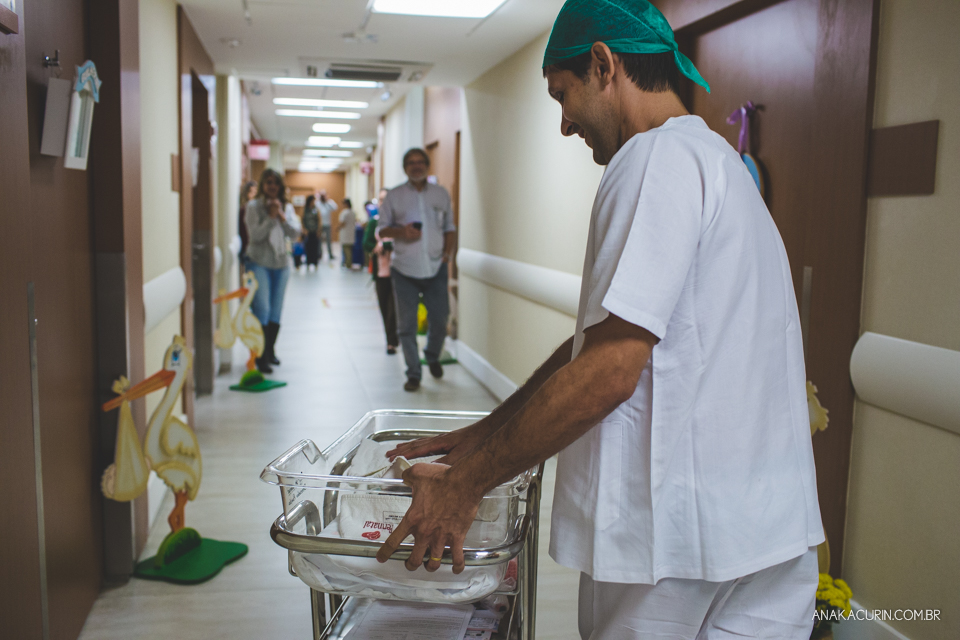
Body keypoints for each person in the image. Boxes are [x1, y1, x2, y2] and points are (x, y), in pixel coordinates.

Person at [376, 2, 824, 639]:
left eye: (563, 95)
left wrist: (464, 486)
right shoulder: (721, 164)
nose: (563, 125)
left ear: (603, 64)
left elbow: (609, 371)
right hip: (767, 535)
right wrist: (485, 433)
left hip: (673, 553)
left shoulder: (652, 160)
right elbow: (601, 342)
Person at [378, 149, 456, 391]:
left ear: (427, 165)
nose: (416, 166)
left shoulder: (440, 194)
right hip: (404, 270)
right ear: (405, 167)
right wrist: (402, 232)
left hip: (436, 267)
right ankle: (413, 373)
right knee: (406, 326)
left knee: (440, 318)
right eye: (411, 163)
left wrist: (447, 256)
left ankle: (432, 355)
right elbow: (381, 230)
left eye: (421, 162)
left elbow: (449, 228)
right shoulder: (394, 196)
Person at [244, 169, 301, 373]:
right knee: (263, 310)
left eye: (275, 183)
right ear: (262, 185)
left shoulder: (287, 207)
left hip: (281, 264)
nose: (272, 186)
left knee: (276, 311)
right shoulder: (253, 207)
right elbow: (255, 236)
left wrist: (282, 217)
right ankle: (260, 356)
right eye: (268, 182)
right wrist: (270, 217)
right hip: (259, 262)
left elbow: (295, 234)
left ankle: (270, 351)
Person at [363, 210, 399, 354]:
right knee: (384, 307)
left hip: (398, 272)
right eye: (381, 200)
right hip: (380, 272)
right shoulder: (374, 223)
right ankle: (391, 338)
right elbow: (366, 243)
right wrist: (376, 246)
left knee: (393, 308)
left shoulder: (398, 222)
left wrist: (386, 245)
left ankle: (392, 341)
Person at [238, 180, 257, 275]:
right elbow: (242, 231)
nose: (254, 195)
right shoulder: (243, 210)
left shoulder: (261, 211)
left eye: (256, 192)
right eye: (251, 192)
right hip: (247, 250)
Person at [317, 190, 337, 262]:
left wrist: (327, 201)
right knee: (319, 240)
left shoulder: (329, 202)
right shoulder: (318, 203)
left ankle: (330, 254)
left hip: (328, 224)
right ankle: (319, 254)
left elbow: (335, 208)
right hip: (320, 225)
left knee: (329, 240)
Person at [302, 195, 321, 269]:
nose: (313, 202)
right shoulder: (305, 209)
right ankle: (308, 262)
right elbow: (302, 219)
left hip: (315, 231)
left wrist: (319, 230)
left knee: (315, 247)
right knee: (308, 248)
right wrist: (304, 229)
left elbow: (319, 220)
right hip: (307, 231)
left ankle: (315, 263)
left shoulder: (316, 209)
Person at [338, 198, 357, 268]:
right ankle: (347, 263)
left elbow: (342, 223)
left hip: (345, 233)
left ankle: (347, 263)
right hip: (351, 232)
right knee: (349, 250)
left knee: (346, 250)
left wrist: (338, 228)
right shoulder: (353, 212)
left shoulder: (344, 213)